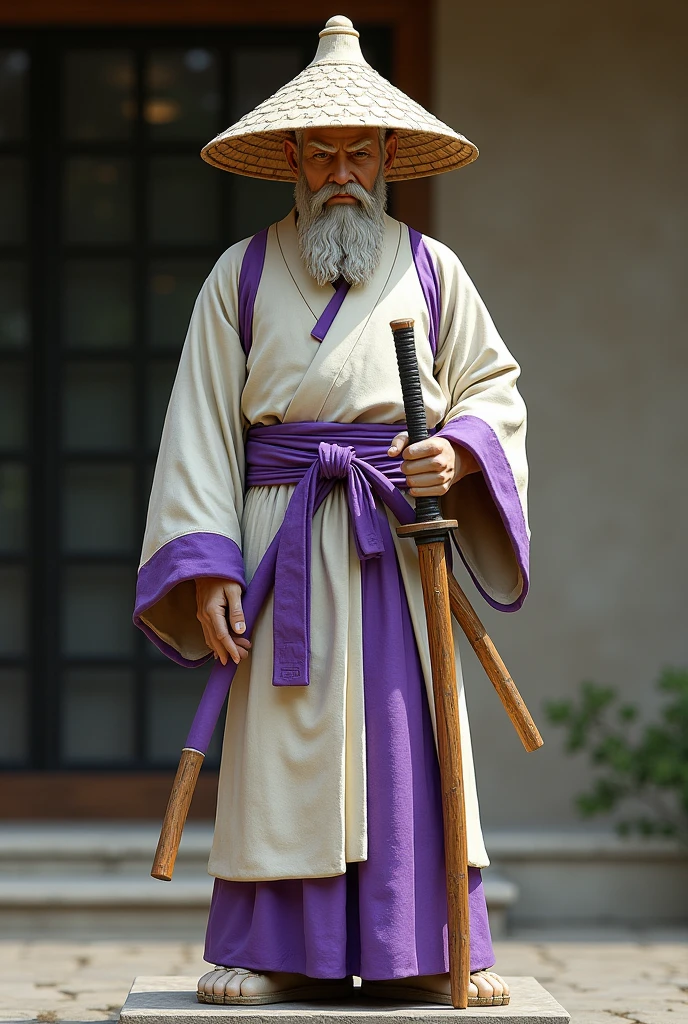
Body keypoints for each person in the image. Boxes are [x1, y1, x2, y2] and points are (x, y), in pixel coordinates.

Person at [134, 15, 529, 1008]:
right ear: (294, 162)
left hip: (398, 543)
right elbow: (197, 429)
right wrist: (209, 564)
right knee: (282, 753)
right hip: (281, 544)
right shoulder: (242, 274)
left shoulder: (436, 271)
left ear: (389, 156)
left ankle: (426, 948)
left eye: (361, 152)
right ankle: (270, 950)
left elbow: (493, 390)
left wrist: (459, 448)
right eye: (323, 154)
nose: (341, 172)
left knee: (406, 738)